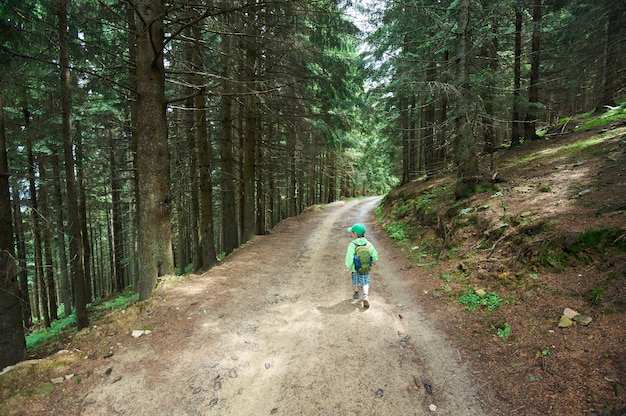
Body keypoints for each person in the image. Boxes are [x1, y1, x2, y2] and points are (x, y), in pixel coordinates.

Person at [345, 223, 378, 308]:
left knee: (355, 281)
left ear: (355, 234)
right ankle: (366, 296)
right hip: (365, 267)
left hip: (355, 268)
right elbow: (374, 253)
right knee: (365, 281)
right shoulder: (367, 243)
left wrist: (348, 267)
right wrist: (374, 260)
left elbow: (349, 257)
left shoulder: (352, 245)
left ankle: (356, 293)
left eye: (352, 233)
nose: (351, 234)